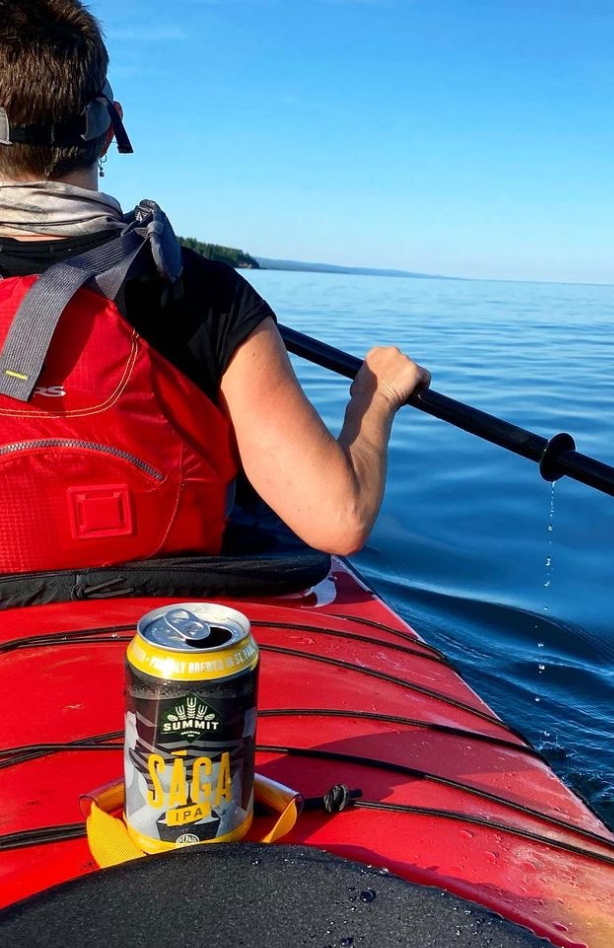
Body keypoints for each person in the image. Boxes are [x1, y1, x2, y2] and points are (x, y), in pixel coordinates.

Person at [0, 0, 429, 574]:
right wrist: (372, 398)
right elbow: (338, 516)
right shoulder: (206, 295)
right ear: (107, 127)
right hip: (173, 635)